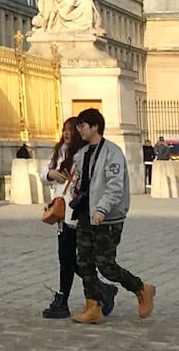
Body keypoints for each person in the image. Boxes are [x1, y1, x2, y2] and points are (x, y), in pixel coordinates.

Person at [70, 107, 156, 324]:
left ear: (95, 126)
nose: (79, 129)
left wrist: (102, 208)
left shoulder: (112, 152)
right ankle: (93, 306)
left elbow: (115, 186)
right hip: (84, 216)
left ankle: (141, 288)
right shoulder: (81, 154)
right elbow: (80, 181)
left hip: (106, 219)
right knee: (84, 262)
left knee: (106, 265)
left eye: (83, 125)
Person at [41, 118, 117, 319]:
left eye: (72, 130)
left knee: (75, 260)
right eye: (64, 130)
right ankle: (98, 289)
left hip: (77, 214)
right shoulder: (60, 151)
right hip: (61, 213)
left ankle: (67, 299)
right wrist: (51, 174)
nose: (67, 134)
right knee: (66, 259)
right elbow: (43, 172)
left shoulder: (84, 154)